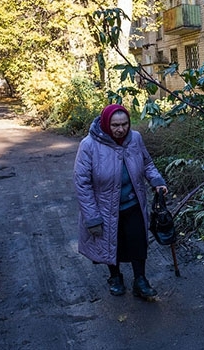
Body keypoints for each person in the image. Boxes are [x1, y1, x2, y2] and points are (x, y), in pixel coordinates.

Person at [74, 104, 168, 301]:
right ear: (106, 124)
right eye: (115, 125)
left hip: (133, 203)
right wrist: (92, 217)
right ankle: (115, 277)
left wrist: (157, 181)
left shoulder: (135, 139)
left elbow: (147, 163)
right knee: (110, 242)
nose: (121, 129)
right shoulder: (89, 145)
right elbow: (82, 184)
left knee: (137, 241)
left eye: (124, 124)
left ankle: (140, 281)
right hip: (105, 207)